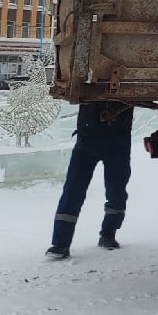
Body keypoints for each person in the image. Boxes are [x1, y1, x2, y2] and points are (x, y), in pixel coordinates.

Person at [46, 100, 133, 259]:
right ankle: (60, 244)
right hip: (88, 140)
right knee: (73, 190)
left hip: (118, 141)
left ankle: (108, 233)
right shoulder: (86, 77)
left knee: (117, 191)